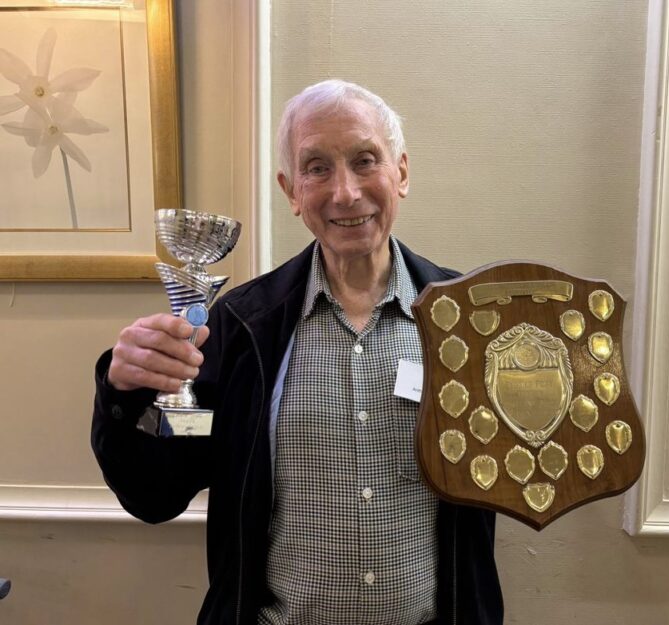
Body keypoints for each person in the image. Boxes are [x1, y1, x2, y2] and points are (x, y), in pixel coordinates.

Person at [92, 80, 503, 625]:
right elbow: (158, 492)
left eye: (364, 161)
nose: (345, 193)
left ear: (401, 173)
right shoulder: (239, 329)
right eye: (317, 168)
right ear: (291, 191)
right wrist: (126, 395)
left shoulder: (468, 321)